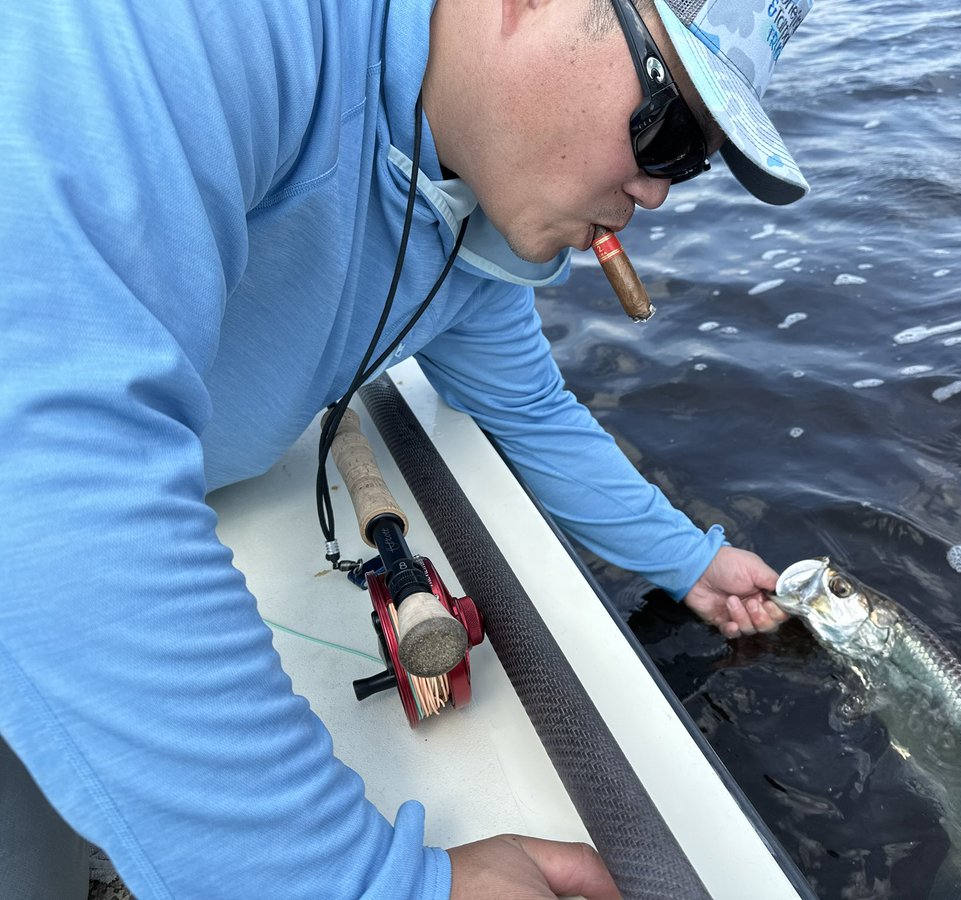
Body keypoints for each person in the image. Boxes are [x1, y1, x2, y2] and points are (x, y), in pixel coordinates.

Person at [0, 0, 813, 896]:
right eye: (667, 129)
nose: (659, 189)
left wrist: (691, 563)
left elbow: (530, 409)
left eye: (693, 161)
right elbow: (50, 461)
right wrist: (356, 884)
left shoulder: (471, 225)